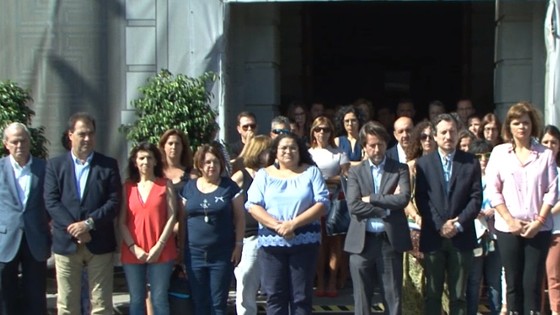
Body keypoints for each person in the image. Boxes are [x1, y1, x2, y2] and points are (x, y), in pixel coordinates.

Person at [44, 112, 122, 315]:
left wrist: (88, 224)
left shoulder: (108, 165)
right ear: (70, 135)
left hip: (99, 242)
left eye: (91, 134)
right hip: (66, 243)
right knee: (67, 304)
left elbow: (114, 202)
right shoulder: (55, 165)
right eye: (82, 134)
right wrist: (76, 229)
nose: (87, 138)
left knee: (101, 305)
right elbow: (51, 202)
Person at [486, 102, 557, 315]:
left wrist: (539, 222)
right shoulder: (499, 153)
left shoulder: (545, 154)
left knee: (532, 283)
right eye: (516, 123)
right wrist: (509, 220)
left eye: (525, 123)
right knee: (513, 281)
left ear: (532, 125)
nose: (521, 127)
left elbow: (552, 191)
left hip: (538, 228)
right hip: (509, 228)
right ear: (509, 126)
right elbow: (493, 190)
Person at [246, 133, 329, 315]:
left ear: (300, 151)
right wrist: (278, 227)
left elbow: (322, 203)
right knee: (275, 296)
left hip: (304, 244)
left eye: (293, 147)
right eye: (283, 148)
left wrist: (294, 225)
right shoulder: (263, 175)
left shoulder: (311, 172)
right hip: (271, 246)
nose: (288, 151)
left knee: (301, 297)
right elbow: (252, 205)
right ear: (275, 152)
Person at [415, 113, 482, 315]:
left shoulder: (471, 162)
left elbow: (476, 198)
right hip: (434, 236)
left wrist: (458, 223)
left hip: (462, 236)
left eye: (452, 131)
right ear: (435, 136)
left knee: (459, 296)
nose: (448, 136)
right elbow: (422, 199)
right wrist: (440, 225)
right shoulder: (424, 164)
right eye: (443, 132)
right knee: (433, 294)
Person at [344, 121, 412, 315]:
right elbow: (354, 206)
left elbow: (403, 199)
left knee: (393, 298)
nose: (376, 149)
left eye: (380, 144)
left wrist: (372, 199)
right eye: (372, 145)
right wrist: (385, 209)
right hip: (361, 242)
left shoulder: (399, 169)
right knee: (361, 300)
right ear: (364, 146)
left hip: (388, 241)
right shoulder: (355, 171)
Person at [179, 144, 245, 315]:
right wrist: (181, 252)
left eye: (215, 162)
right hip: (194, 255)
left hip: (222, 255)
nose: (211, 166)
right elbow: (182, 220)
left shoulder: (229, 187)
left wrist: (238, 245)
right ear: (200, 165)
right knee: (199, 302)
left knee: (218, 304)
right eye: (207, 162)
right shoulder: (189, 187)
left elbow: (240, 218)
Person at [119, 142, 177, 315]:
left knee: (159, 298)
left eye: (149, 158)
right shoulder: (128, 187)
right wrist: (133, 247)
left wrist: (159, 246)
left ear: (156, 161)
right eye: (141, 158)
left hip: (162, 250)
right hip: (133, 251)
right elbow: (121, 221)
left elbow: (172, 217)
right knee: (136, 299)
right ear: (135, 162)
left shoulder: (165, 185)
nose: (145, 162)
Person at [0, 122, 51, 315]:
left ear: (29, 141)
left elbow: (50, 201)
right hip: (5, 240)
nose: (19, 145)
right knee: (5, 295)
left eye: (23, 140)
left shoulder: (43, 167)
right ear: (6, 144)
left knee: (35, 295)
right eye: (15, 141)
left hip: (35, 238)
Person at [308, 116, 350, 298]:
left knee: (335, 242)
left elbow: (345, 177)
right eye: (318, 129)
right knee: (319, 242)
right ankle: (321, 280)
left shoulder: (339, 152)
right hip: (314, 202)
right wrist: (326, 180)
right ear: (313, 132)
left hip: (336, 200)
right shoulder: (307, 153)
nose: (322, 133)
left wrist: (323, 179)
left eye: (326, 129)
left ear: (331, 132)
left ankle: (333, 279)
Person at [231, 135, 272, 315]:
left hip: (272, 236)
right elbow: (228, 202)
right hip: (250, 237)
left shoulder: (272, 174)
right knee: (246, 284)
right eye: (267, 151)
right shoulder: (242, 175)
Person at [401, 120, 436, 313]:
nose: (428, 140)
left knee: (439, 286)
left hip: (439, 231)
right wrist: (416, 216)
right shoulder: (410, 167)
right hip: (415, 230)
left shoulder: (444, 165)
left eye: (432, 136)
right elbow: (404, 198)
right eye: (423, 136)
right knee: (414, 286)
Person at [466, 139, 502, 315]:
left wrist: (494, 210)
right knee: (473, 281)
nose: (483, 159)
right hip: (475, 235)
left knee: (495, 280)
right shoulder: (466, 178)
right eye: (478, 156)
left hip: (495, 233)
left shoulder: (499, 177)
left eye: (487, 155)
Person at [543, 125, 560, 315]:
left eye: (553, 142)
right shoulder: (535, 169)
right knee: (535, 278)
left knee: (554, 276)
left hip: (555, 230)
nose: (549, 146)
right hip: (535, 230)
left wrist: (543, 214)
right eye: (546, 142)